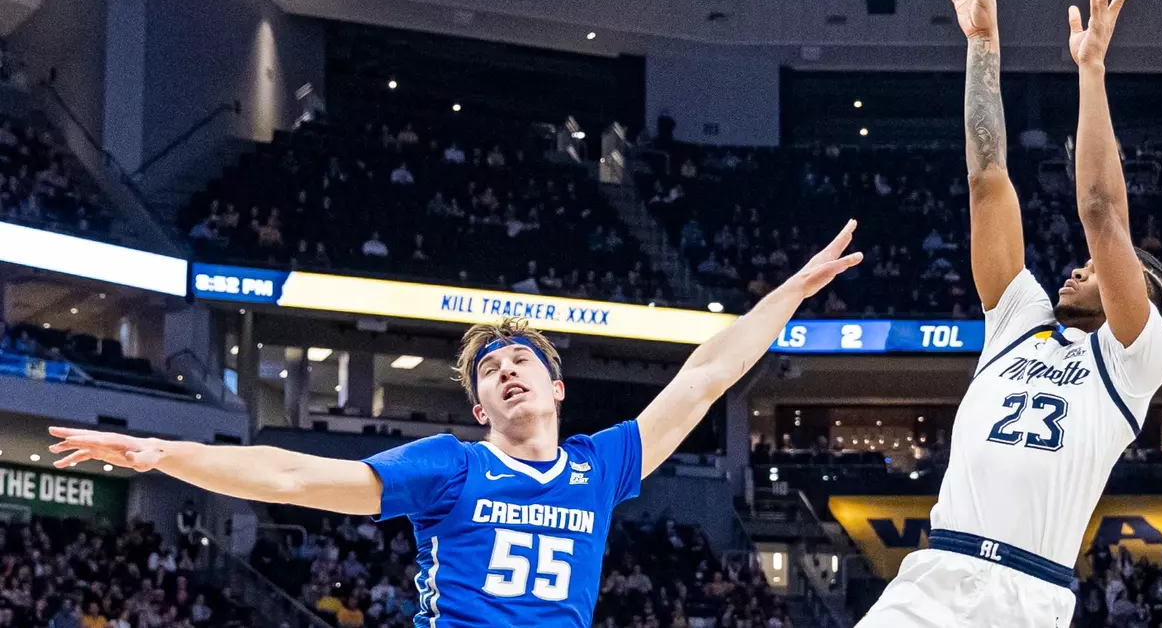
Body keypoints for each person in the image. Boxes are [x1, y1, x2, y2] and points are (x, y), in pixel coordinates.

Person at [46, 220, 864, 628]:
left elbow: (707, 375)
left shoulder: (602, 464)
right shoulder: (451, 466)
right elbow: (293, 475)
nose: (506, 370)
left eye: (519, 360)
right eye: (490, 370)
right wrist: (167, 452)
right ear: (480, 410)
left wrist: (788, 293)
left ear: (555, 387)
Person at [856, 0, 1162, 628]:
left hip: (1024, 596)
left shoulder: (1134, 361)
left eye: (1099, 269)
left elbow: (1102, 212)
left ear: (1144, 301)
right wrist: (982, 43)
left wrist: (1091, 71)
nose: (1080, 268)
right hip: (933, 575)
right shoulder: (1021, 321)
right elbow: (987, 179)